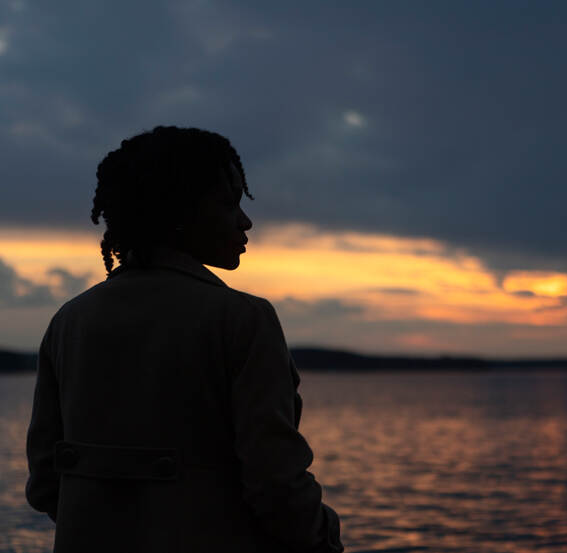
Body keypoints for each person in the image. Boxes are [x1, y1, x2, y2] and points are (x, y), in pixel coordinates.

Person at [25, 125, 344, 553]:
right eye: (229, 204)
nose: (245, 221)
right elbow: (277, 489)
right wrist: (327, 538)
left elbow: (46, 483)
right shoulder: (245, 321)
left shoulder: (69, 322)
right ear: (181, 211)